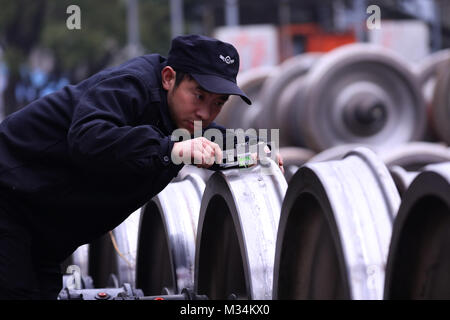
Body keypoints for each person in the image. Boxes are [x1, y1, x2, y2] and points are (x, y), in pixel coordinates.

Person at [0, 34, 283, 299]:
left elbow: (212, 140)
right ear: (169, 78)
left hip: (42, 234)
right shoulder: (128, 87)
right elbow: (88, 137)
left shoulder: (184, 119)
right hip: (9, 200)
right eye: (199, 96)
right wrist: (171, 149)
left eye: (218, 103)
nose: (205, 114)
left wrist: (257, 148)